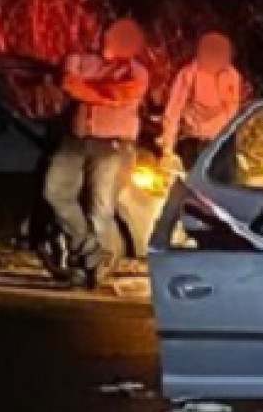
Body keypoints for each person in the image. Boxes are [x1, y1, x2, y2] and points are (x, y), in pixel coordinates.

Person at [45, 18, 150, 290]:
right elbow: (68, 83)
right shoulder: (79, 59)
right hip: (76, 139)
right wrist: (98, 89)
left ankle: (91, 269)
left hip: (112, 145)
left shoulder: (137, 71)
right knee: (55, 192)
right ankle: (90, 250)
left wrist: (88, 89)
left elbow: (121, 95)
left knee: (100, 208)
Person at [159, 31, 244, 166]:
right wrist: (167, 148)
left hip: (218, 144)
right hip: (193, 141)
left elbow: (232, 112)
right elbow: (173, 110)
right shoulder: (189, 74)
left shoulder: (232, 77)